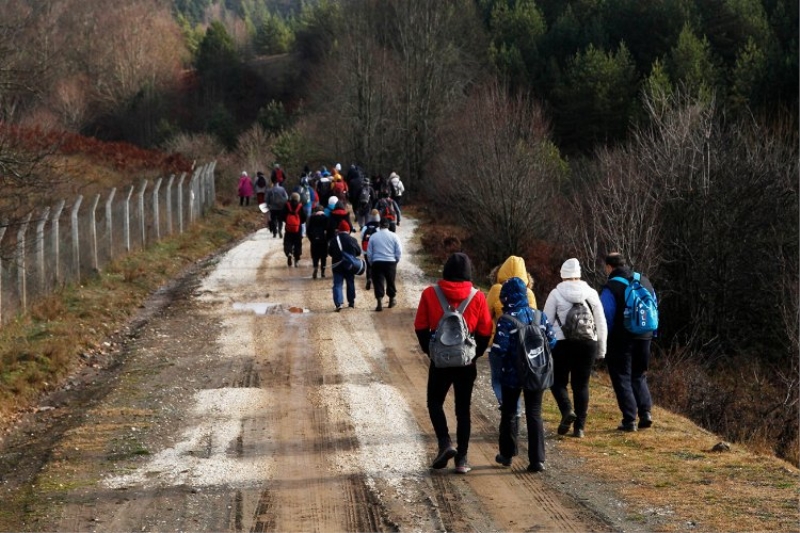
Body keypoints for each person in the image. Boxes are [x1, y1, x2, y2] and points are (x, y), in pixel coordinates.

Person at [414, 253, 493, 474]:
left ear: (446, 271)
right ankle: (463, 459)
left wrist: (430, 352)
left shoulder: (430, 294)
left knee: (434, 402)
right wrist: (474, 355)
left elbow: (420, 326)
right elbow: (486, 329)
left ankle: (445, 443)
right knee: (463, 409)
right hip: (466, 362)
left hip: (440, 360)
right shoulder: (477, 296)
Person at [491, 276, 556, 472]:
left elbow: (498, 349)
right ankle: (537, 460)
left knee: (509, 413)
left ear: (506, 297)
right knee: (534, 413)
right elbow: (552, 341)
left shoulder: (506, 320)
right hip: (536, 372)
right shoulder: (540, 316)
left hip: (512, 375)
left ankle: (507, 455)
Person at [543, 258, 608, 438]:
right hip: (588, 343)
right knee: (581, 385)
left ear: (563, 275)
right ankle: (579, 428)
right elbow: (601, 322)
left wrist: (546, 347)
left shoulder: (556, 293)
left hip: (562, 343)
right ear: (578, 274)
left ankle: (566, 410)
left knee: (557, 382)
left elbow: (546, 322)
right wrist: (601, 348)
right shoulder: (591, 293)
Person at [599, 252, 656, 432]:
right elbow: (654, 306)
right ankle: (645, 413)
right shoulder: (643, 280)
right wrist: (652, 333)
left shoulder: (611, 286)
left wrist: (603, 339)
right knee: (639, 374)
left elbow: (605, 315)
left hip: (621, 338)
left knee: (621, 376)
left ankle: (629, 419)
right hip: (645, 334)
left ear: (609, 267)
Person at [486, 256, 537, 412]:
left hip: (499, 341)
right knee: (520, 379)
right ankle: (515, 409)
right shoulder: (529, 292)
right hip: (524, 344)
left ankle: (510, 407)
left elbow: (486, 315)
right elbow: (533, 318)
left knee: (498, 379)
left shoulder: (496, 289)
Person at [366, 217, 402, 311]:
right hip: (390, 262)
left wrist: (371, 262)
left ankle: (379, 302)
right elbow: (399, 251)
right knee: (390, 281)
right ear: (388, 225)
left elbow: (369, 252)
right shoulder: (394, 236)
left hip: (377, 262)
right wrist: (396, 260)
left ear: (379, 225)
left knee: (378, 282)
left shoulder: (373, 236)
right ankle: (391, 300)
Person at [328, 220, 361, 311]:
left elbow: (330, 252)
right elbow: (359, 252)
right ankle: (351, 302)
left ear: (339, 230)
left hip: (337, 265)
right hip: (349, 265)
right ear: (348, 230)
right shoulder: (352, 240)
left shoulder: (334, 240)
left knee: (337, 284)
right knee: (350, 282)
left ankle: (338, 303)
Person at [282, 192, 307, 267]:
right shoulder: (300, 206)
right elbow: (304, 217)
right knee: (297, 243)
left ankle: (288, 252)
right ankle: (297, 258)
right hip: (297, 228)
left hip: (288, 228)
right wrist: (299, 222)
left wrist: (287, 221)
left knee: (288, 241)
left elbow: (282, 215)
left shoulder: (287, 205)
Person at [360, 209, 381, 290]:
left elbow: (362, 237)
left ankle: (369, 278)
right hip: (376, 250)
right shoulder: (379, 227)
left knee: (368, 265)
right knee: (376, 266)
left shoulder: (366, 227)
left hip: (366, 249)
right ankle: (376, 281)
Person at [307, 205, 329, 279]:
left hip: (314, 240)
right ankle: (323, 272)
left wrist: (311, 239)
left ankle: (315, 267)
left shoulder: (312, 218)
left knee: (315, 256)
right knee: (323, 257)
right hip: (324, 241)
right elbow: (329, 230)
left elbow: (308, 230)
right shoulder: (326, 218)